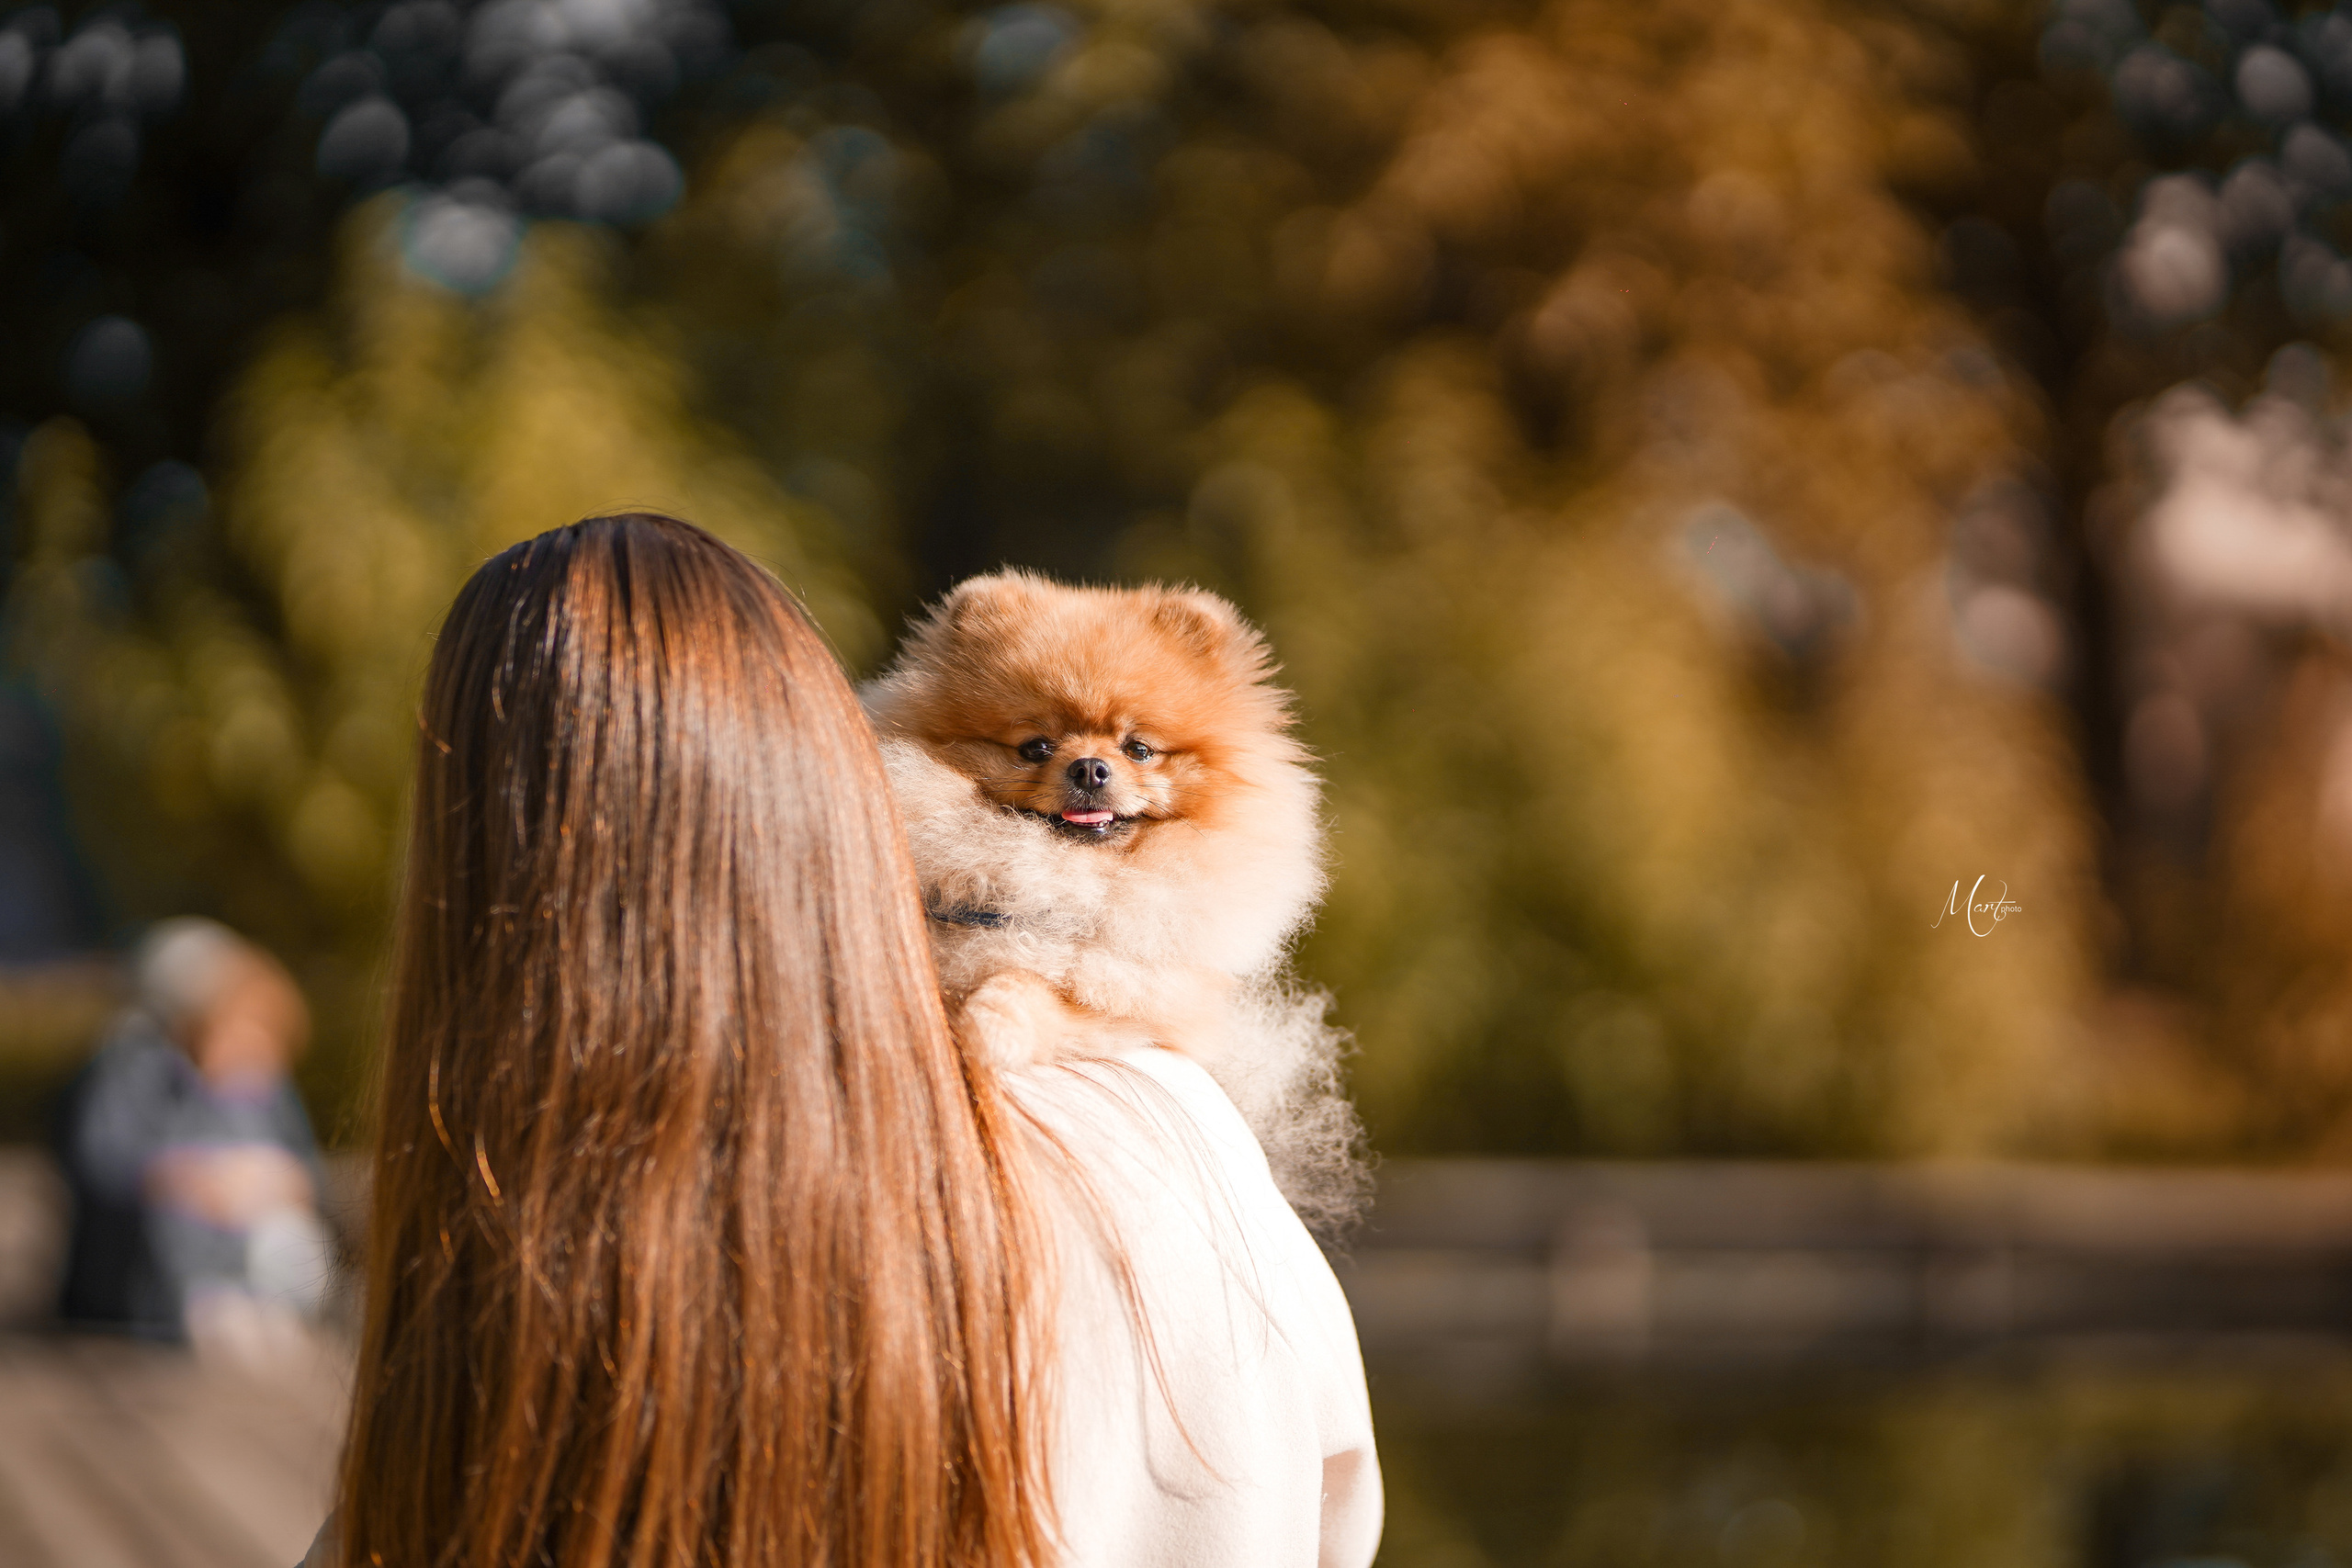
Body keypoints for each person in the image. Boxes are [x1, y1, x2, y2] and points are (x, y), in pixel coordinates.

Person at [311, 513, 1378, 1568]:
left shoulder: (510, 1249)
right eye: (1041, 747)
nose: (1089, 769)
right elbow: (1333, 1506)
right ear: (838, 798)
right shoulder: (1181, 1153)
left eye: (1132, 748)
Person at [52, 918, 334, 1344]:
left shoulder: (267, 1087)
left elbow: (307, 1172)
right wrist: (194, 1181)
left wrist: (272, 1182)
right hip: (145, 1299)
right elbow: (103, 1165)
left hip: (255, 1281)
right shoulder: (137, 1068)